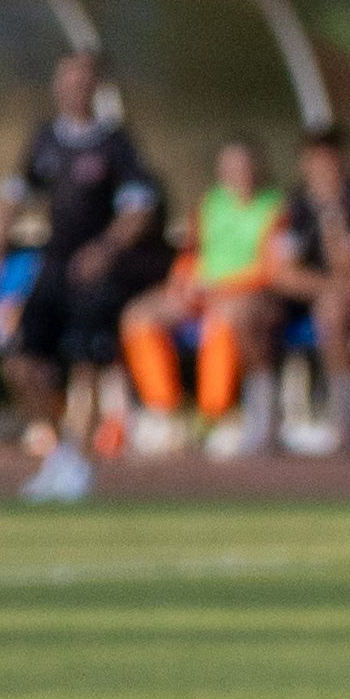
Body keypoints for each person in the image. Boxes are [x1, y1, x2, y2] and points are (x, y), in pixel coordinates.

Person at [0, 49, 166, 503]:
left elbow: (139, 209)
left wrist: (105, 249)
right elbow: (15, 193)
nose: (73, 88)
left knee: (85, 366)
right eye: (67, 79)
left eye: (82, 80)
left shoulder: (115, 143)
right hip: (52, 267)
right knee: (20, 366)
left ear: (95, 88)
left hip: (94, 277)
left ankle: (79, 464)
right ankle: (60, 454)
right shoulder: (44, 139)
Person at [119, 139, 284, 459]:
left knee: (225, 317)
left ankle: (216, 413)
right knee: (139, 315)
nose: (239, 174)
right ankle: (165, 410)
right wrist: (183, 280)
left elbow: (273, 266)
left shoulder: (276, 207)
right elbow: (192, 252)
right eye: (231, 167)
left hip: (249, 292)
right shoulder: (211, 204)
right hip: (205, 289)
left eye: (245, 166)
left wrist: (224, 289)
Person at [265, 125, 350, 450]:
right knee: (250, 315)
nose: (323, 172)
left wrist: (332, 217)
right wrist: (333, 287)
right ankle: (265, 417)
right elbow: (282, 273)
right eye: (315, 163)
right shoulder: (294, 205)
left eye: (329, 163)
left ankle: (345, 416)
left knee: (332, 313)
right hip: (312, 294)